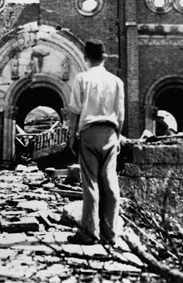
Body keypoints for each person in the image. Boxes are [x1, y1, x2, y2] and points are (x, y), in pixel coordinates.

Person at [67, 39, 125, 245]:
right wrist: (117, 138)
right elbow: (121, 115)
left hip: (89, 133)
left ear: (85, 58)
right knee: (110, 182)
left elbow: (74, 111)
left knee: (90, 183)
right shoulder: (117, 81)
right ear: (105, 58)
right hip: (110, 132)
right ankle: (110, 234)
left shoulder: (82, 78)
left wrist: (71, 136)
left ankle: (89, 232)